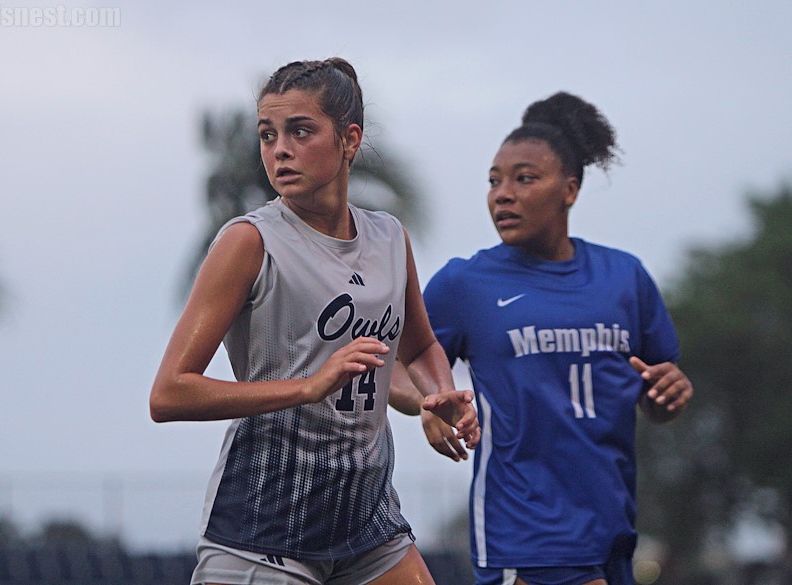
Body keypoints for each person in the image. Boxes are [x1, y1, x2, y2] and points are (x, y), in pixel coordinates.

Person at [149, 57, 480, 585]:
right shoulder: (248, 242)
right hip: (265, 529)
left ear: (350, 139)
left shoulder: (389, 237)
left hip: (367, 524)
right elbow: (168, 394)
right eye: (267, 134)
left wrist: (437, 396)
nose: (279, 149)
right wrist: (308, 387)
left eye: (300, 131)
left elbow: (415, 351)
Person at [418, 91, 694, 585]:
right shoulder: (465, 284)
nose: (503, 194)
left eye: (525, 179)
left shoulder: (624, 276)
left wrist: (669, 394)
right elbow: (399, 363)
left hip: (613, 527)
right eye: (494, 181)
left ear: (570, 189)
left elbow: (657, 393)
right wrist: (430, 400)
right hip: (525, 532)